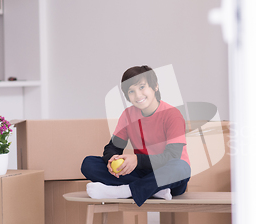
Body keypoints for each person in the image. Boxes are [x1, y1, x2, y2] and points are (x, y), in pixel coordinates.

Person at [80, 65, 191, 206]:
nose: (138, 95)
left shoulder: (172, 114)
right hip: (142, 172)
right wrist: (112, 159)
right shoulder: (128, 114)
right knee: (89, 164)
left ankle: (125, 191)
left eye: (142, 87)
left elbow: (172, 156)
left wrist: (137, 160)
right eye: (131, 91)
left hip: (169, 175)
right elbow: (112, 147)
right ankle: (154, 190)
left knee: (181, 167)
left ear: (155, 87)